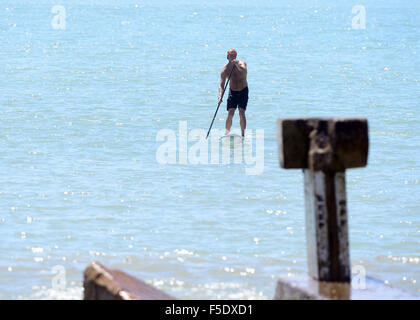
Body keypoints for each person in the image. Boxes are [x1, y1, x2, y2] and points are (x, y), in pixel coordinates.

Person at [218, 49, 248, 137]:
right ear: (227, 57)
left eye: (234, 55)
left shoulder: (242, 63)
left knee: (241, 112)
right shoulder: (225, 70)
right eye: (231, 56)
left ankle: (243, 135)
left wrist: (236, 64)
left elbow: (244, 70)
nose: (233, 57)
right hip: (233, 92)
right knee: (230, 112)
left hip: (243, 90)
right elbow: (221, 85)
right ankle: (226, 133)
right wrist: (220, 96)